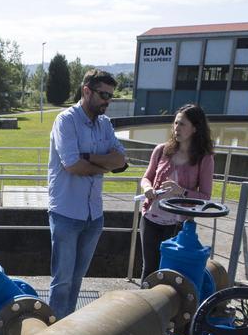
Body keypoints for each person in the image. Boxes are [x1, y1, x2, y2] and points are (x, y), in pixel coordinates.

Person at [47, 69, 127, 318]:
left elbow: (121, 159)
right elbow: (72, 165)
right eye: (103, 94)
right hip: (66, 214)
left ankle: (68, 325)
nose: (107, 101)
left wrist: (90, 158)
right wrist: (105, 165)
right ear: (86, 91)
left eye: (111, 96)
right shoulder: (65, 121)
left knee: (78, 278)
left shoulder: (105, 124)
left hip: (94, 217)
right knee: (62, 281)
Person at [137, 104, 215, 279]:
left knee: (171, 270)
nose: (176, 128)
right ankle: (147, 303)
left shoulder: (205, 158)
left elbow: (205, 197)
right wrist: (148, 187)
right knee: (149, 267)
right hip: (150, 217)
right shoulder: (161, 150)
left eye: (182, 124)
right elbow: (145, 178)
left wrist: (182, 192)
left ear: (195, 128)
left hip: (178, 223)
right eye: (175, 123)